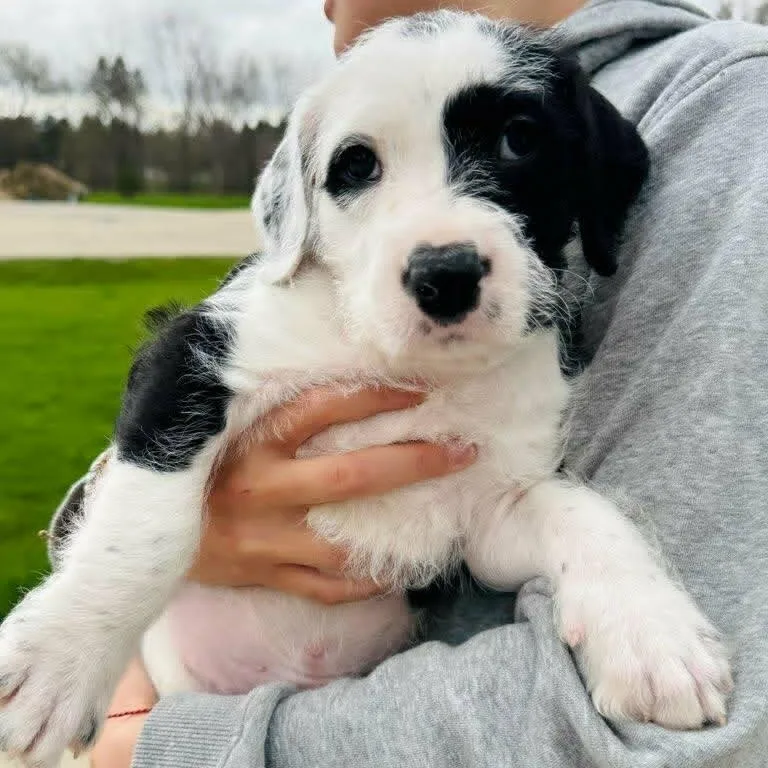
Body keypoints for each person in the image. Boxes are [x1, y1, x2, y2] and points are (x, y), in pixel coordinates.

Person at [89, 0, 768, 765]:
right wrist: (148, 525)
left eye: (515, 144)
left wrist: (159, 745)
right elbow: (195, 383)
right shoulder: (354, 113)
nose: (321, 4)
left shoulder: (727, 109)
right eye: (363, 169)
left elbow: (674, 732)